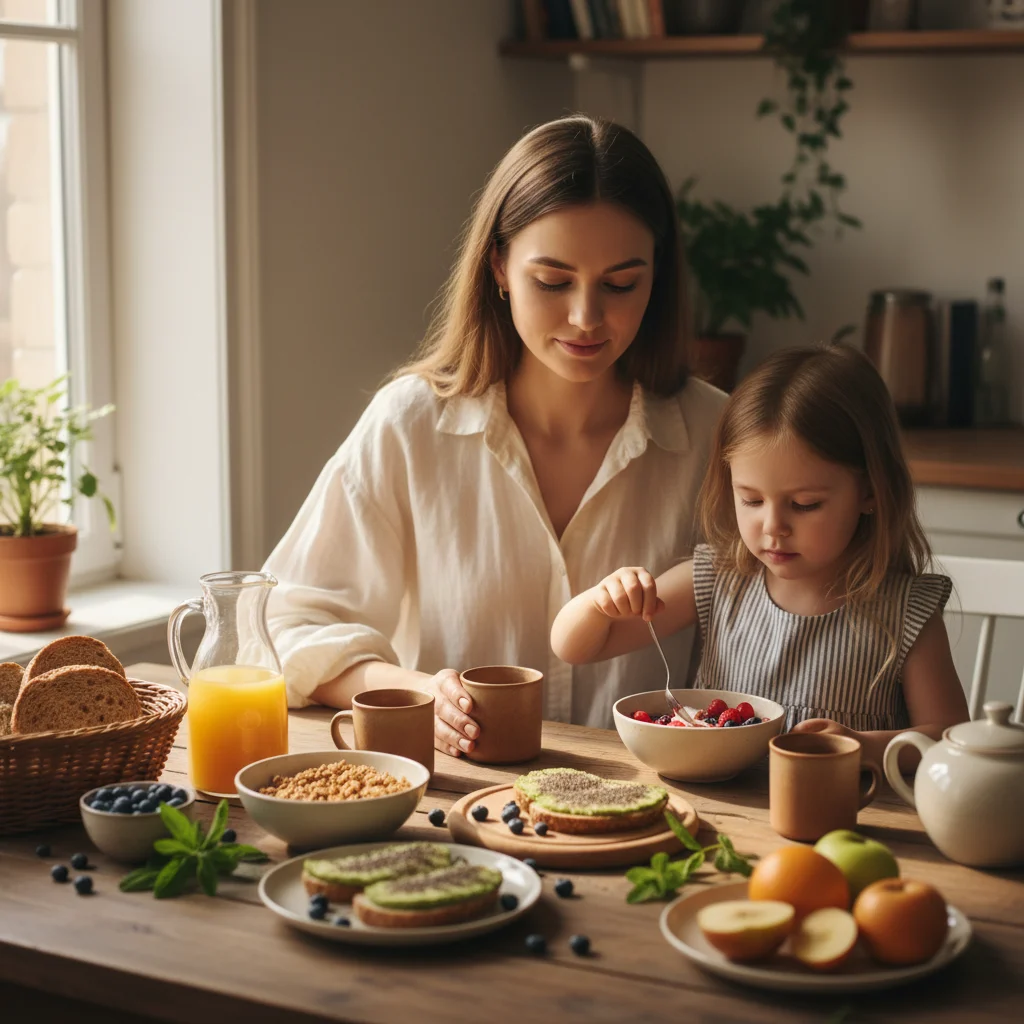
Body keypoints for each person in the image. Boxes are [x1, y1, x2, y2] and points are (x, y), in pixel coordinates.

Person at [262, 115, 727, 756]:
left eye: (622, 284)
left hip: (658, 810)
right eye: (553, 281)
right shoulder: (410, 424)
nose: (587, 318)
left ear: (658, 276)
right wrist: (416, 694)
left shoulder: (718, 435)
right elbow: (286, 622)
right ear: (499, 268)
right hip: (458, 803)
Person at [551, 344, 969, 768]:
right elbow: (574, 647)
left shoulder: (906, 611)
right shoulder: (718, 578)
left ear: (870, 492)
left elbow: (949, 741)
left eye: (805, 505)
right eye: (751, 500)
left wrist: (862, 745)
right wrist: (601, 602)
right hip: (722, 820)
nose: (773, 527)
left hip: (842, 821)